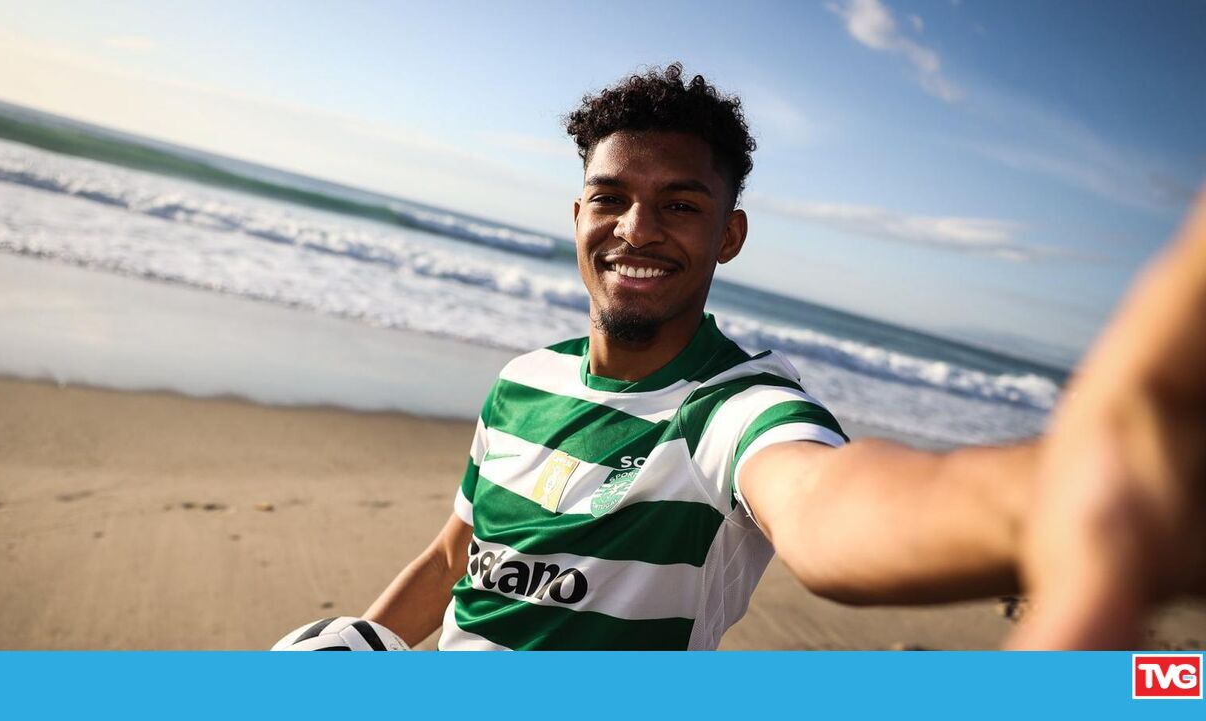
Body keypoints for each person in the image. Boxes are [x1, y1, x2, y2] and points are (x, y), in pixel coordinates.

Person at [362, 63, 1205, 650]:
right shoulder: (521, 382)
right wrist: (361, 642)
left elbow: (822, 502)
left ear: (729, 235)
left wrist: (1047, 501)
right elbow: (451, 559)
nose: (637, 229)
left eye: (679, 206)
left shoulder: (733, 407)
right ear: (578, 214)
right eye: (611, 198)